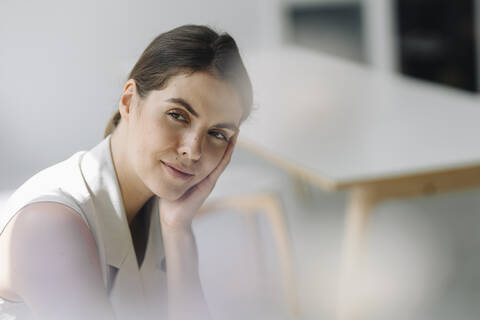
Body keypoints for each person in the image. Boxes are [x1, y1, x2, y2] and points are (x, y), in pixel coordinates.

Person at [0, 24, 253, 320]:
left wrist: (178, 230)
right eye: (177, 116)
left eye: (217, 134)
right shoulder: (50, 226)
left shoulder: (162, 209)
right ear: (129, 101)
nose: (193, 150)